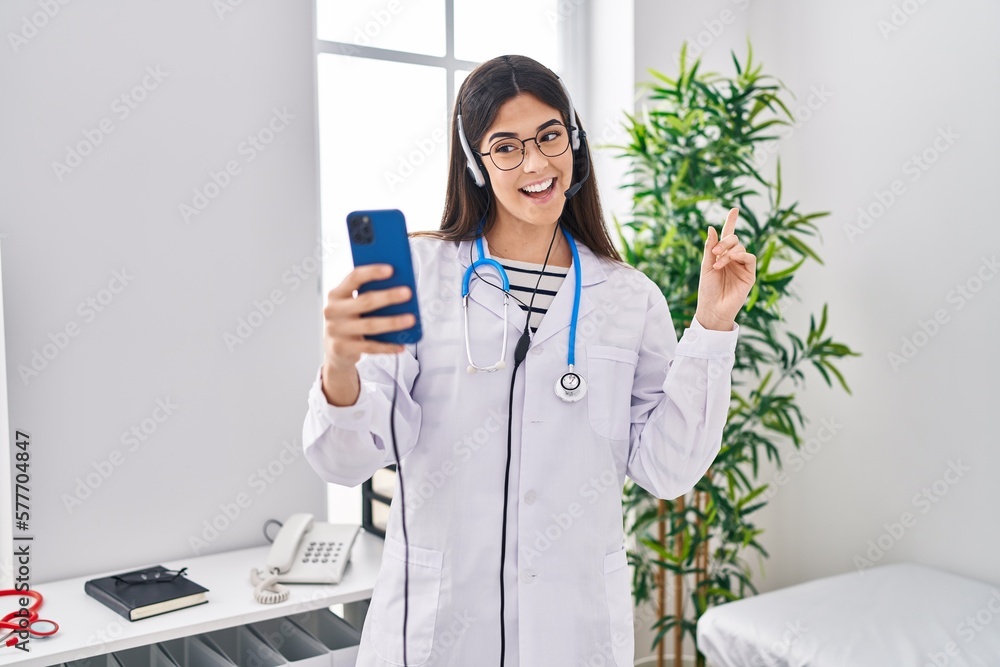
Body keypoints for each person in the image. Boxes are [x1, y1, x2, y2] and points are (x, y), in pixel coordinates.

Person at [303, 55, 756, 667]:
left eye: (549, 136)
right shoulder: (420, 274)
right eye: (506, 147)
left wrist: (713, 325)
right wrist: (340, 368)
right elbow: (347, 458)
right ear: (475, 163)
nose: (537, 164)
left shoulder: (628, 296)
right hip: (438, 631)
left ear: (575, 140)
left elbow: (666, 468)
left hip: (570, 634)